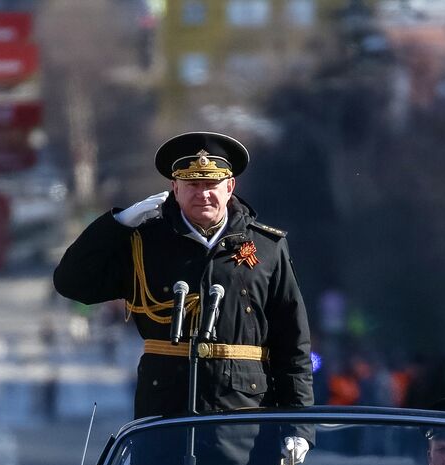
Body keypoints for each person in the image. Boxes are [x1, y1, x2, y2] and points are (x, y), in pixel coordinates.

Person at [52, 131, 314, 427]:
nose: (202, 193)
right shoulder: (145, 245)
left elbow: (293, 345)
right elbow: (71, 282)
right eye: (192, 184)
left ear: (230, 187)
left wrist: (299, 423)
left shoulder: (267, 247)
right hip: (165, 416)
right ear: (175, 188)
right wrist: (117, 224)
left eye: (211, 184)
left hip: (246, 417)